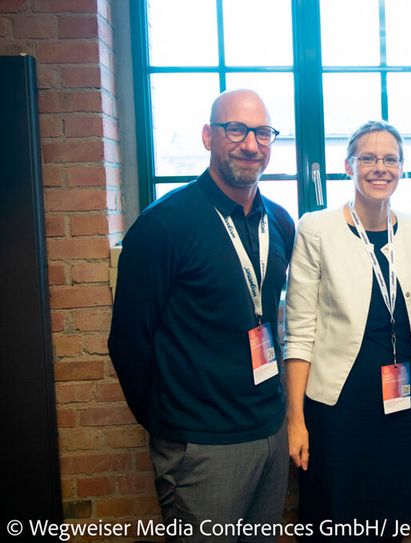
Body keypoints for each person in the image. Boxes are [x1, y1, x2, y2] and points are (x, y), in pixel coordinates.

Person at [108, 89, 295, 542]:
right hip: (201, 443)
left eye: (263, 133)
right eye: (236, 130)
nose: (251, 144)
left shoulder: (280, 221)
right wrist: (171, 424)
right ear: (209, 136)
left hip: (269, 430)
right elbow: (128, 342)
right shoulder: (163, 226)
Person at [284, 121, 411, 542]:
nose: (379, 167)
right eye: (367, 158)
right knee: (338, 523)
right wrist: (295, 420)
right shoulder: (316, 228)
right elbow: (298, 331)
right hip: (339, 407)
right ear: (347, 165)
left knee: (396, 521)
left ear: (402, 168)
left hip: (405, 404)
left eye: (390, 158)